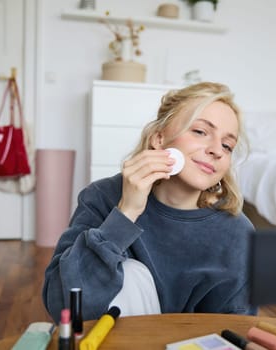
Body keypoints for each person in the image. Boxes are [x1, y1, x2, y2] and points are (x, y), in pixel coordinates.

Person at [42, 82, 255, 322]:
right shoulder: (101, 197)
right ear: (159, 139)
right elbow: (63, 306)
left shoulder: (238, 232)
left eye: (227, 146)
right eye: (200, 131)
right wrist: (125, 213)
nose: (217, 150)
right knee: (130, 273)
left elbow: (237, 327)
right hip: (113, 341)